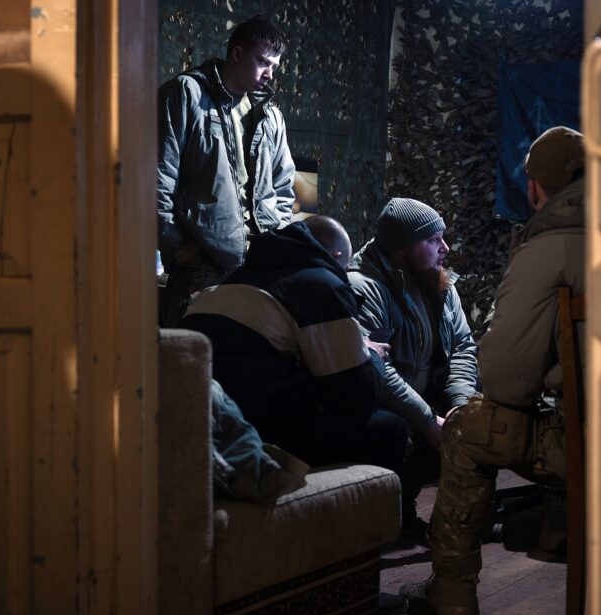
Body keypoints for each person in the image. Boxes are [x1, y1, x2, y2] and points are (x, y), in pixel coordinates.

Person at [399, 126, 587, 615]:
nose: (444, 248)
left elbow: (505, 381)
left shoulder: (547, 251)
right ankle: (557, 531)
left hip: (592, 446)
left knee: (469, 430)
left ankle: (452, 593)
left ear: (535, 189)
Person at [181, 216, 409, 474]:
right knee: (392, 429)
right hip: (260, 432)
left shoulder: (228, 282)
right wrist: (372, 353)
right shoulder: (323, 283)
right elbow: (358, 394)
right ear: (336, 257)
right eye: (344, 269)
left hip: (202, 423)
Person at [347, 198, 479, 533]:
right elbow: (379, 369)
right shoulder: (364, 288)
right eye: (433, 240)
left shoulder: (439, 283)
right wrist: (426, 420)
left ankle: (465, 522)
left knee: (476, 419)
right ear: (403, 247)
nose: (444, 248)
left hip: (430, 394)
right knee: (395, 429)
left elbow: (462, 346)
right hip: (389, 403)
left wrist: (459, 403)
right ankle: (397, 516)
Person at [157, 14, 296, 326]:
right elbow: (157, 179)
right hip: (201, 265)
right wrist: (179, 250)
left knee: (243, 354)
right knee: (193, 352)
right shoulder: (186, 94)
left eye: (274, 66)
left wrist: (275, 243)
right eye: (263, 62)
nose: (270, 74)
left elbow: (284, 189)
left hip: (258, 267)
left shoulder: (269, 115)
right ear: (237, 54)